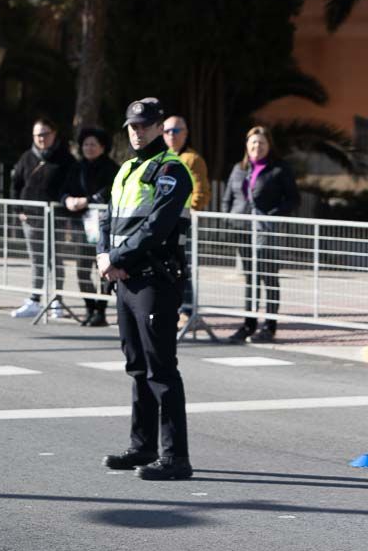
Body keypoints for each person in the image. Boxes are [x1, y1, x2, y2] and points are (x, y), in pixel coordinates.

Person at [98, 98, 194, 481]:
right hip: (125, 278)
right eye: (133, 126)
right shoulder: (127, 169)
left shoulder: (171, 169)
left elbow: (158, 226)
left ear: (159, 127)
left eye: (145, 125)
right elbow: (108, 216)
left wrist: (117, 257)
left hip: (155, 279)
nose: (138, 132)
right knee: (137, 367)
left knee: (161, 369)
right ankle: (144, 446)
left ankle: (176, 457)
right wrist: (104, 254)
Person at [221, 125, 299, 343]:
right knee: (251, 278)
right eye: (253, 142)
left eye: (262, 143)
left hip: (266, 231)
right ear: (247, 145)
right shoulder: (238, 168)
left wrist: (272, 215)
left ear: (269, 146)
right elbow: (228, 198)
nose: (257, 146)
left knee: (269, 277)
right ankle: (248, 324)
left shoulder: (279, 169)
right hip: (242, 229)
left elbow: (293, 199)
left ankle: (269, 326)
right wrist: (229, 217)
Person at [10, 118, 75, 318]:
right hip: (30, 218)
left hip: (55, 217)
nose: (41, 138)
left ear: (54, 134)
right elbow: (16, 184)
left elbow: (70, 187)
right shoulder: (27, 157)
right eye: (37, 134)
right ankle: (35, 299)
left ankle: (57, 300)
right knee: (37, 260)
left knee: (55, 260)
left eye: (45, 134)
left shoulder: (65, 159)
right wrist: (18, 210)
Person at [61, 127, 119, 326]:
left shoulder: (112, 168)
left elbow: (111, 191)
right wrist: (67, 200)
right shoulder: (77, 167)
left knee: (103, 269)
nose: (89, 148)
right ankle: (89, 307)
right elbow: (64, 189)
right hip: (81, 225)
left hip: (104, 225)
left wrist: (88, 200)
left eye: (93, 144)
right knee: (82, 269)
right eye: (86, 144)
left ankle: (101, 311)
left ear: (103, 147)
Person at [163, 116, 211, 323]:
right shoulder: (163, 157)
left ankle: (187, 309)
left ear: (185, 133)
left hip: (183, 223)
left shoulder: (193, 159)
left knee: (184, 265)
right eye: (167, 131)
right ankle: (171, 307)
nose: (171, 135)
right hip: (164, 223)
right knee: (168, 265)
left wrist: (185, 215)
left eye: (175, 131)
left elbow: (201, 193)